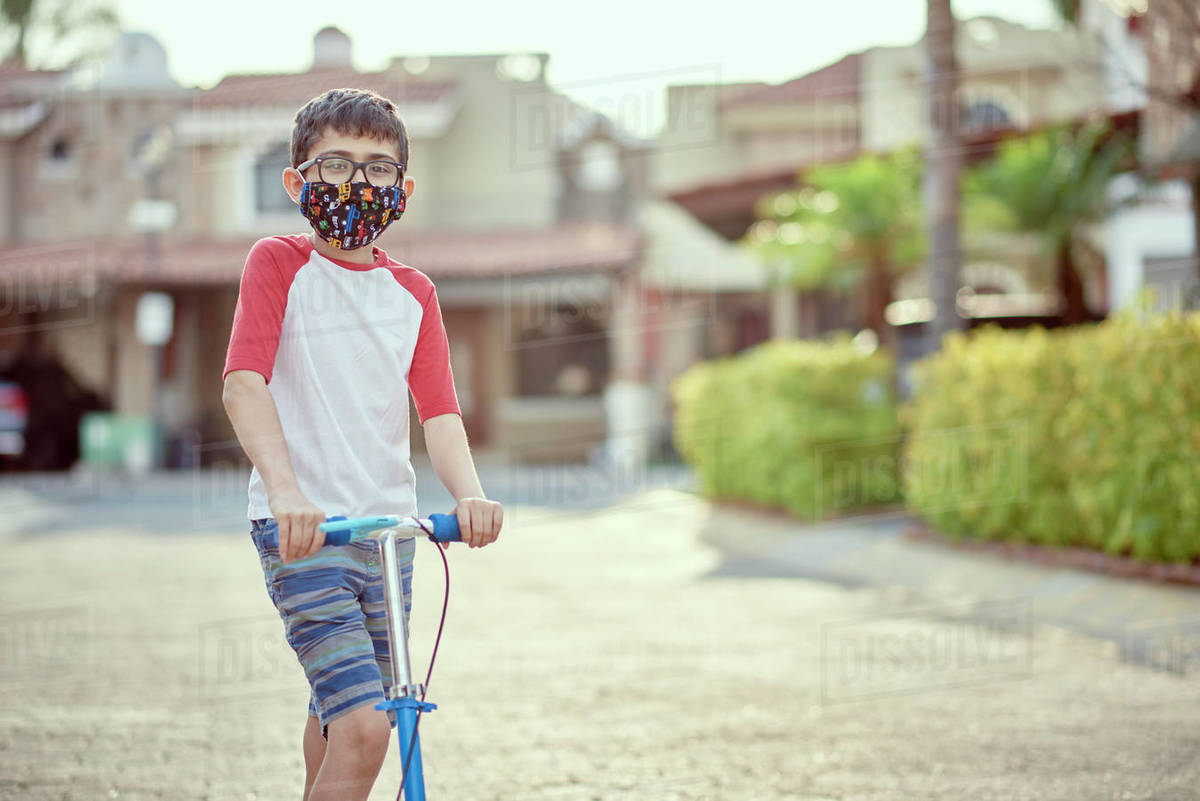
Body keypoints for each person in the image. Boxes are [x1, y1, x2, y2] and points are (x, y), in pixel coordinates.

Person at [221, 87, 503, 801]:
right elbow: (243, 385)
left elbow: (439, 415)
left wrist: (468, 495)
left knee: (338, 709)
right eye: (337, 164)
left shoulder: (414, 294)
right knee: (368, 726)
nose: (358, 182)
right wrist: (286, 492)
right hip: (304, 532)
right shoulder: (278, 264)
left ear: (403, 190)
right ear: (297, 181)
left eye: (378, 169)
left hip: (388, 534)